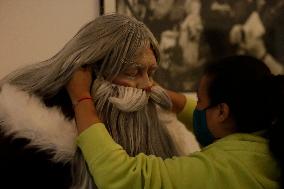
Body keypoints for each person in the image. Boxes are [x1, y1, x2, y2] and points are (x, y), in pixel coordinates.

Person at [0, 14, 198, 188]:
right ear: (90, 73)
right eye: (132, 72)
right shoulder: (30, 139)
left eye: (151, 73)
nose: (148, 85)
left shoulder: (163, 121)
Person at [68, 55, 283, 188]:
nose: (196, 107)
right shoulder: (266, 144)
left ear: (222, 112)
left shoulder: (223, 169)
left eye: (199, 101)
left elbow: (126, 177)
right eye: (136, 71)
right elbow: (201, 115)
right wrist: (155, 89)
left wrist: (81, 97)